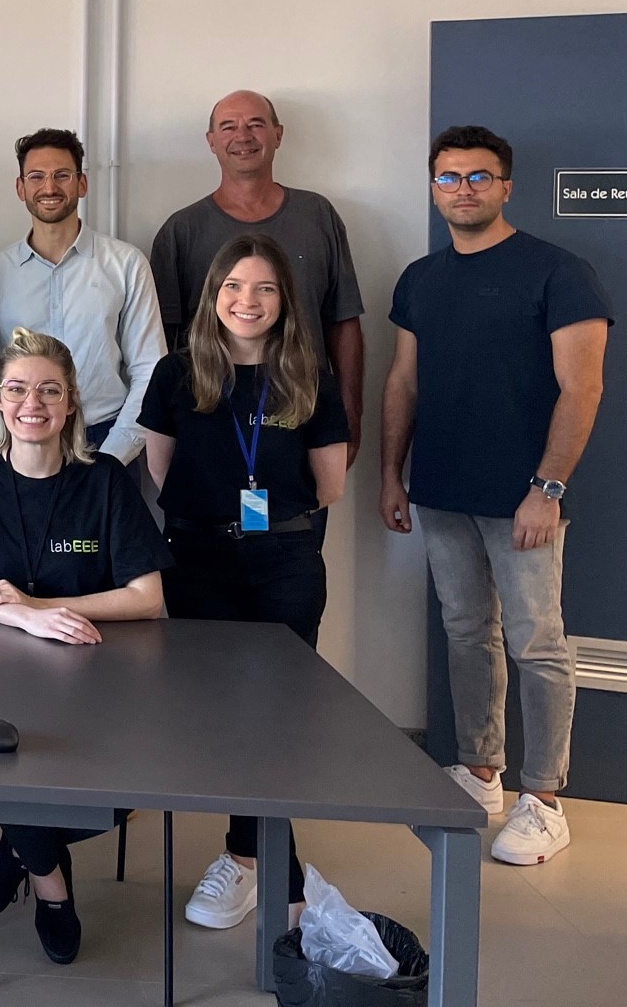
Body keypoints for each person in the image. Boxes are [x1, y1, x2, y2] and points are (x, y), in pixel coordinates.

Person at [380, 126, 610, 865]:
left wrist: (547, 488)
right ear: (433, 187)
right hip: (442, 491)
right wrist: (392, 473)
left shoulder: (559, 272)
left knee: (538, 643)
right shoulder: (420, 278)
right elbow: (403, 381)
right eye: (449, 178)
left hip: (524, 499)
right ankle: (481, 772)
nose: (463, 190)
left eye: (479, 177)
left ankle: (544, 798)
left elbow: (584, 387)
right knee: (465, 631)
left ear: (507, 186)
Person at [0, 327, 169, 965]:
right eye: (17, 388)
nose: (32, 402)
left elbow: (146, 596)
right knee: (15, 760)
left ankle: (15, 847)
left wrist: (41, 607)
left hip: (91, 671)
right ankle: (52, 888)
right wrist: (21, 621)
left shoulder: (105, 480)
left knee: (118, 801)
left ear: (71, 404)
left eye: (49, 390)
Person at [139, 234, 348, 930]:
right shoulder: (175, 375)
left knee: (274, 722)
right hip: (197, 564)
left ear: (284, 300)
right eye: (233, 287)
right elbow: (163, 474)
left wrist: (254, 514)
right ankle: (259, 863)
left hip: (284, 566)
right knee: (225, 723)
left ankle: (266, 873)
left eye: (263, 288)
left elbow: (329, 486)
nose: (246, 301)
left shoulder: (310, 375)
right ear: (213, 296)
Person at [149, 91, 365, 464]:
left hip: (303, 417)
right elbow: (163, 342)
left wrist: (350, 415)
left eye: (256, 124)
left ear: (278, 135)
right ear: (211, 141)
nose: (243, 136)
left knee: (298, 521)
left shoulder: (317, 216)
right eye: (228, 126)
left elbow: (343, 323)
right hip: (208, 422)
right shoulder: (181, 231)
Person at [0, 129, 164, 462]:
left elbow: (150, 369)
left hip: (106, 437)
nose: (49, 187)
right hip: (21, 440)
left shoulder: (126, 264)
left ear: (82, 183)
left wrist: (115, 455)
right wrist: (3, 447)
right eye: (36, 176)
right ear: (21, 188)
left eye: (62, 175)